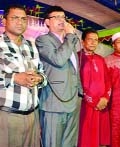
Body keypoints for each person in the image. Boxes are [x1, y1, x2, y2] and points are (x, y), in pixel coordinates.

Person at [0, 5, 47, 147]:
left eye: (23, 19)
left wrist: (40, 79)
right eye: (15, 18)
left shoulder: (30, 45)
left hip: (32, 116)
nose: (20, 22)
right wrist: (14, 78)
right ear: (4, 20)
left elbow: (42, 73)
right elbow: (15, 77)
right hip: (7, 116)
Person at [36, 6, 81, 147]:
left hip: (73, 101)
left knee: (69, 143)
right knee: (52, 143)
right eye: (57, 17)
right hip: (54, 103)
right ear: (47, 22)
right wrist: (70, 36)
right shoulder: (43, 40)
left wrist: (80, 93)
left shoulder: (69, 42)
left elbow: (75, 70)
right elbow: (58, 60)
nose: (62, 20)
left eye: (63, 17)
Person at [77, 29, 111, 147]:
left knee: (100, 140)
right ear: (83, 41)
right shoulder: (77, 58)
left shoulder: (101, 59)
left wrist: (105, 98)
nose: (93, 42)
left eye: (96, 40)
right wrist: (94, 101)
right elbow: (78, 83)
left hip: (102, 105)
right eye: (90, 39)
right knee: (85, 139)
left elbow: (108, 81)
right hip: (85, 106)